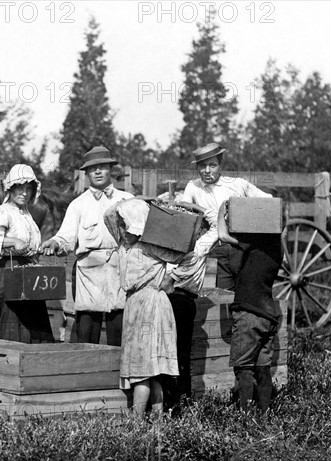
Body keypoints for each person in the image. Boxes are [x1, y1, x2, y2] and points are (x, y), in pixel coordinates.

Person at [41, 146, 133, 346]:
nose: (98, 172)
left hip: (119, 271)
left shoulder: (127, 200)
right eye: (93, 169)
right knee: (86, 328)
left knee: (118, 325)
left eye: (102, 167)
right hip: (88, 274)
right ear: (87, 173)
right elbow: (66, 237)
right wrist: (55, 242)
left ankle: (118, 374)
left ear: (111, 169)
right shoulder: (78, 205)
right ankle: (86, 372)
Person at [104, 198, 184, 415]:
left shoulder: (151, 245)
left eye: (126, 224)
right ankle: (157, 422)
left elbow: (186, 254)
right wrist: (135, 202)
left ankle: (137, 423)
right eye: (121, 225)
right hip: (134, 304)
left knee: (143, 371)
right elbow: (109, 215)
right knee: (148, 370)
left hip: (151, 305)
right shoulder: (123, 245)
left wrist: (171, 279)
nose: (122, 229)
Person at [172, 142, 272, 290]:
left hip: (238, 246)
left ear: (220, 166)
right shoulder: (193, 186)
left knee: (244, 288)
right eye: (202, 166)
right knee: (221, 294)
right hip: (212, 249)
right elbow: (185, 216)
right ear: (197, 168)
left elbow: (268, 201)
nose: (207, 170)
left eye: (212, 165)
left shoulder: (238, 184)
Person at [0, 164, 54, 343]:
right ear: (10, 188)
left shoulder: (28, 216)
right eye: (20, 188)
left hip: (29, 275)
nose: (24, 193)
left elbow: (30, 245)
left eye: (28, 189)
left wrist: (42, 249)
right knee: (9, 327)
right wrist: (13, 242)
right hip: (9, 274)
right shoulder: (1, 212)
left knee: (32, 326)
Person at [218, 201, 283, 411]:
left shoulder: (255, 243)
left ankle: (244, 418)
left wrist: (222, 213)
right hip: (269, 315)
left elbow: (223, 235)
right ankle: (264, 417)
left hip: (249, 313)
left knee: (243, 368)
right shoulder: (276, 247)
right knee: (262, 368)